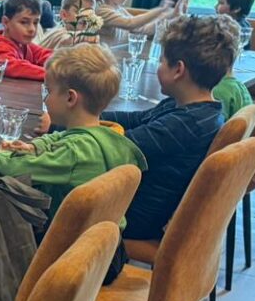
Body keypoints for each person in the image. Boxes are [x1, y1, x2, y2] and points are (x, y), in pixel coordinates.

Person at [100, 14, 235, 242]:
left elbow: (119, 148)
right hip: (138, 208)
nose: (159, 66)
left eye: (162, 61)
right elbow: (137, 119)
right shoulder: (195, 110)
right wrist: (90, 114)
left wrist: (76, 125)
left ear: (178, 70)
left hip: (133, 219)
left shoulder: (185, 124)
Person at [0, 46, 143, 215]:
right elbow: (62, 137)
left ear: (70, 98)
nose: (45, 99)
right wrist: (35, 146)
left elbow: (20, 167)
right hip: (96, 231)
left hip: (59, 231)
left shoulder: (74, 152)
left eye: (48, 91)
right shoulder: (108, 137)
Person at [0, 0, 53, 80]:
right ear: (6, 22)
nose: (32, 29)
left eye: (35, 23)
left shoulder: (22, 43)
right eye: (24, 22)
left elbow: (45, 54)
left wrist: (65, 64)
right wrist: (55, 76)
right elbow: (15, 67)